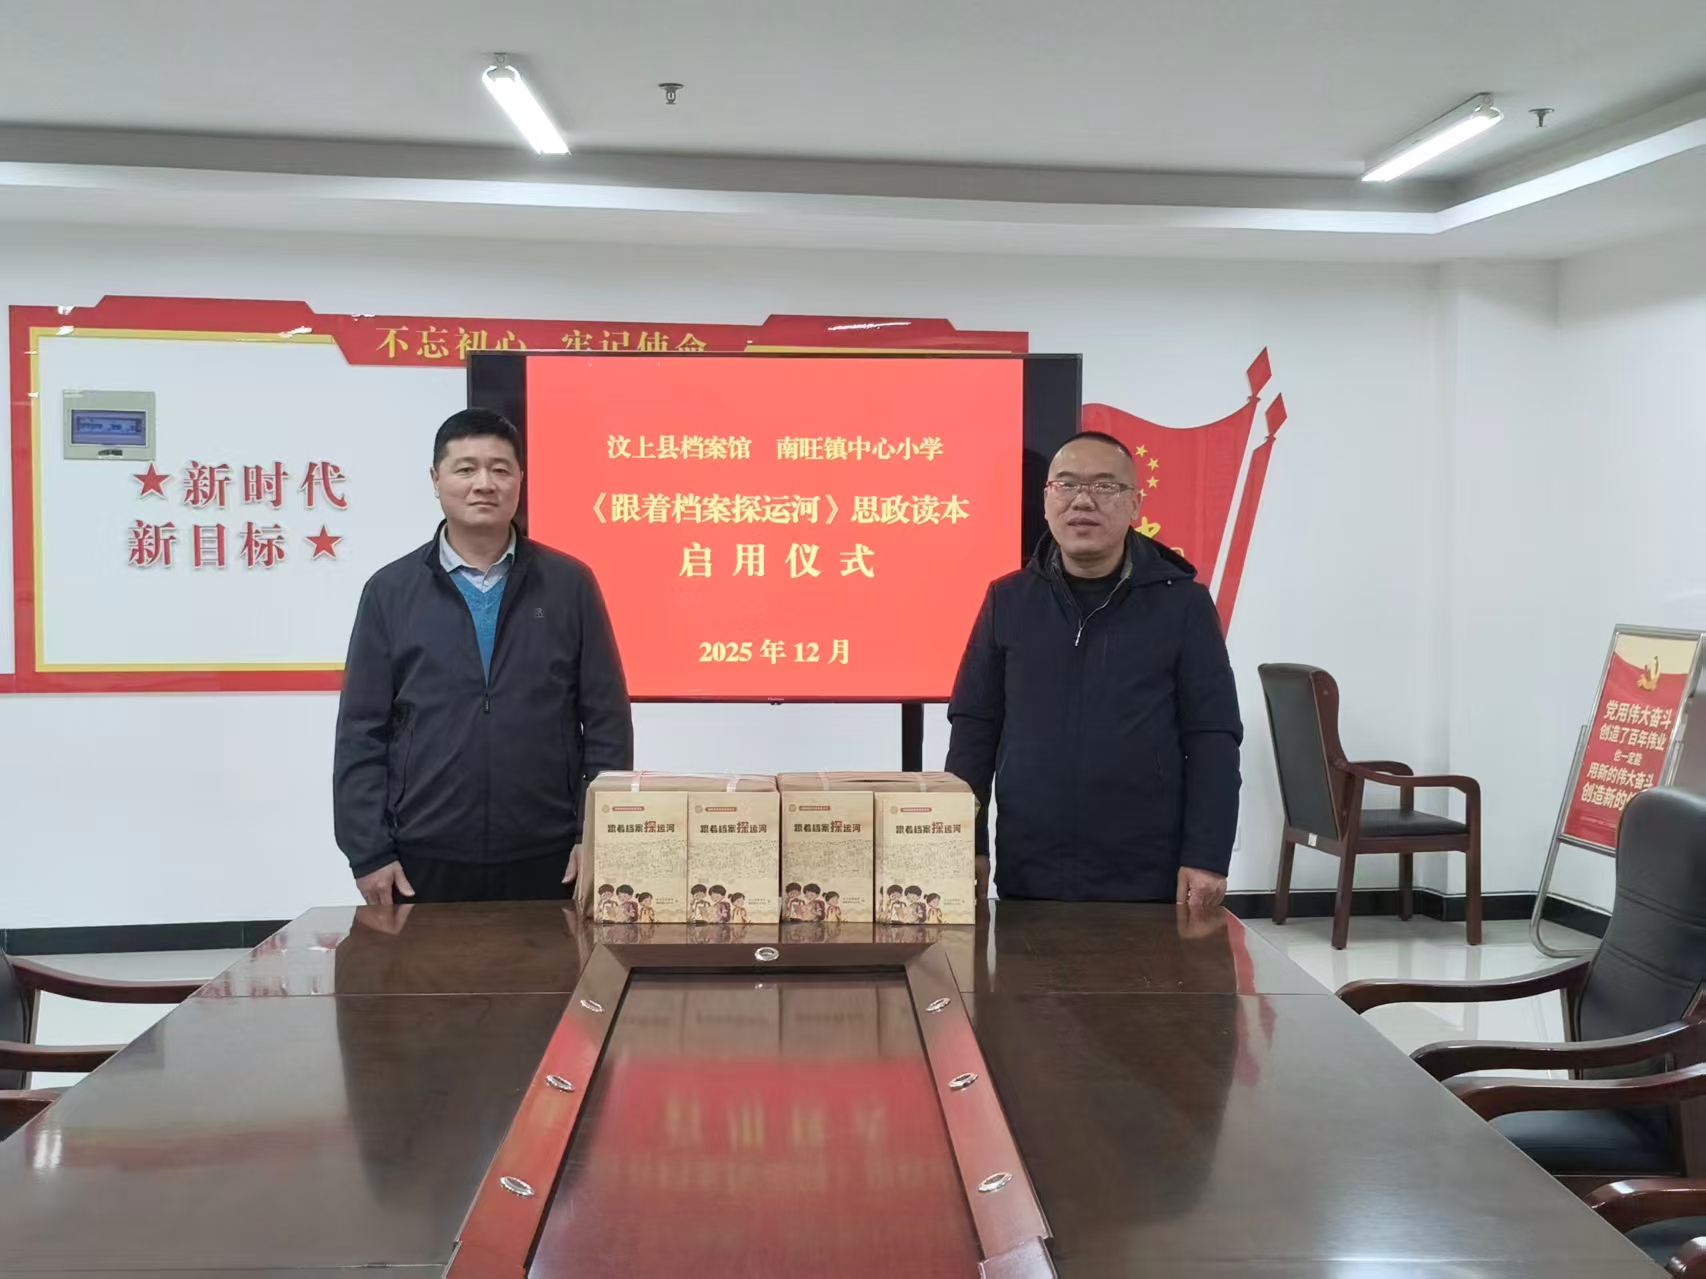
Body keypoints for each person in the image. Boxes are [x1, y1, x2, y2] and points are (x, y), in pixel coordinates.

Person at [333, 408, 634, 905]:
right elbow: (361, 731)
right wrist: (368, 853)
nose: (484, 484)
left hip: (551, 854)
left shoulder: (569, 584)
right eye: (466, 468)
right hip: (421, 856)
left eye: (499, 469)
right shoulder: (390, 591)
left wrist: (597, 836)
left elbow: (606, 722)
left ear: (520, 480)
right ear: (436, 480)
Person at [946, 431, 1242, 909]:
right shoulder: (1009, 600)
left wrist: (1207, 856)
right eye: (1065, 485)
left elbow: (1213, 737)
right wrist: (966, 845)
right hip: (1031, 868)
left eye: (1105, 486)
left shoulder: (1183, 604)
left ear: (1135, 504)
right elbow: (974, 732)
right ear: (1046, 501)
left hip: (1148, 873)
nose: (1082, 500)